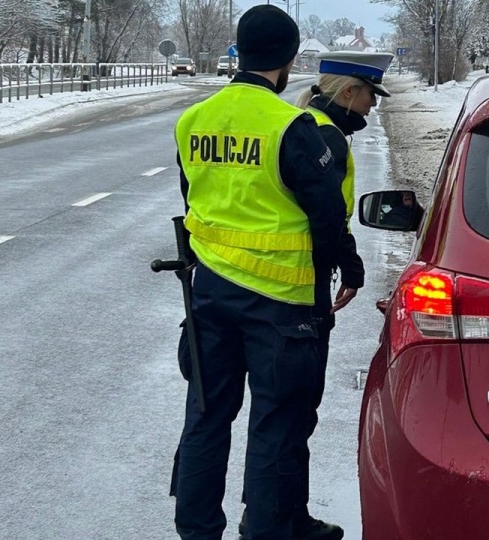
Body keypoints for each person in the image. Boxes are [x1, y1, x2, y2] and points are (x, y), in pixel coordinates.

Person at [169, 5, 348, 540]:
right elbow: (326, 218)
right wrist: (344, 271)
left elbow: (194, 200)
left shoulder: (192, 120)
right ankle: (269, 532)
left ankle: (197, 530)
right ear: (290, 58)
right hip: (281, 305)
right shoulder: (290, 124)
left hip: (209, 295)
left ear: (239, 51)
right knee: (276, 424)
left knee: (206, 416)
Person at [236, 49, 395, 540]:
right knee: (291, 411)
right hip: (298, 288)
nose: (372, 106)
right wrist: (350, 267)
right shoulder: (325, 136)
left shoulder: (311, 123)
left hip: (270, 284)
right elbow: (324, 215)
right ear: (349, 92)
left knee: (282, 412)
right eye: (370, 95)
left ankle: (277, 516)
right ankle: (274, 523)